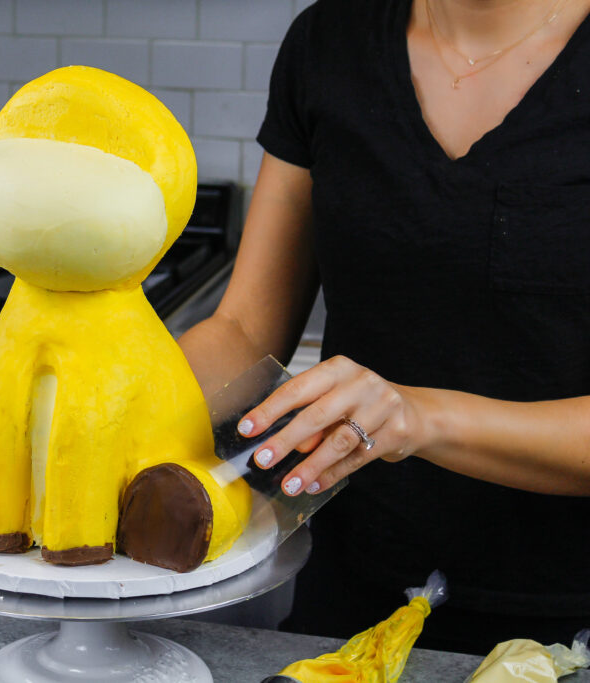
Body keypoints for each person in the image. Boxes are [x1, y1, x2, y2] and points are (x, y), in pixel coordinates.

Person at [178, 0, 590, 656]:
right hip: (350, 598)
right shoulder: (328, 42)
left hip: (566, 625)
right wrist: (113, 390)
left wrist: (419, 418)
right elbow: (244, 330)